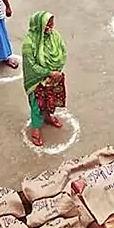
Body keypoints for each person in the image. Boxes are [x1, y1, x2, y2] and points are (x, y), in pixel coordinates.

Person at [22, 11, 67, 147]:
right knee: (37, 105)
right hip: (38, 80)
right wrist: (48, 72)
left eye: (52, 24)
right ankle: (36, 129)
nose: (50, 28)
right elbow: (31, 65)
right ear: (38, 26)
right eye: (47, 25)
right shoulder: (29, 43)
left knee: (51, 99)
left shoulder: (55, 36)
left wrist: (56, 71)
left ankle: (48, 116)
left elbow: (62, 52)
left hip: (54, 76)